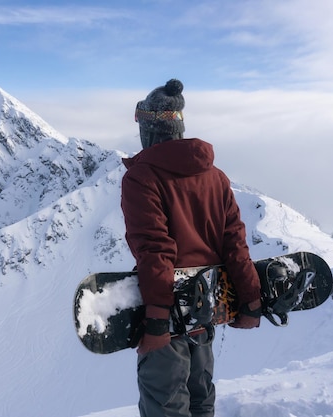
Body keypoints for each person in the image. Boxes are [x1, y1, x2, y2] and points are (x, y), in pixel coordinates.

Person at [120, 79, 262, 417]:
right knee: (201, 400)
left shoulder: (142, 178)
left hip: (167, 315)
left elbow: (156, 249)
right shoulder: (216, 177)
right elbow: (234, 244)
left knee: (166, 406)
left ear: (150, 130)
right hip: (207, 310)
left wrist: (155, 321)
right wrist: (251, 299)